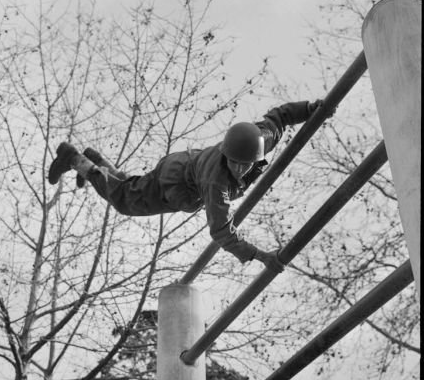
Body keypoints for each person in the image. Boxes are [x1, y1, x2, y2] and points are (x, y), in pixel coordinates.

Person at [48, 100, 328, 272]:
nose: (241, 169)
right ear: (227, 154)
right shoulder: (215, 182)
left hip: (184, 166)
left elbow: (279, 116)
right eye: (235, 163)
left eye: (246, 164)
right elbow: (221, 231)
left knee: (130, 187)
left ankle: (93, 163)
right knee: (124, 201)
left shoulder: (260, 140)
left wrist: (312, 109)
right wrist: (258, 255)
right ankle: (73, 159)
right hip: (176, 183)